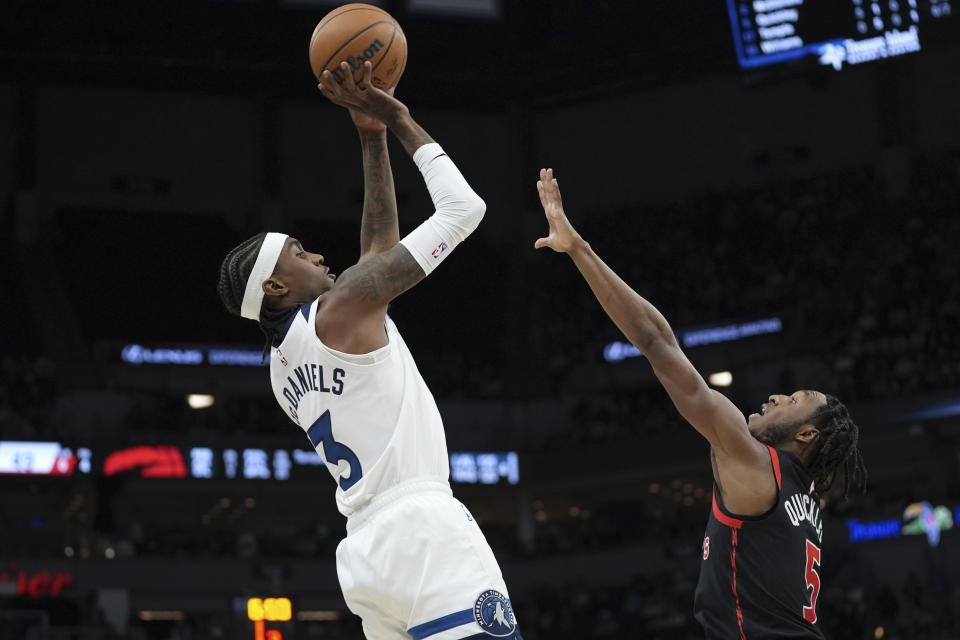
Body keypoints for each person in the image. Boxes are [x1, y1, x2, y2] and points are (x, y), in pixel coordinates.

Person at [216, 62, 522, 640]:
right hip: (422, 530)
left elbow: (379, 246)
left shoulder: (281, 368)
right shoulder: (341, 309)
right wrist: (400, 119)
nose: (318, 258)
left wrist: (371, 137)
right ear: (276, 287)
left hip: (365, 555)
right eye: (300, 254)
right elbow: (464, 210)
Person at [533, 168, 866, 639]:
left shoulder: (754, 461)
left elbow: (654, 339)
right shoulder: (804, 500)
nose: (774, 396)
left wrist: (578, 248)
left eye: (792, 400)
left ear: (807, 433)